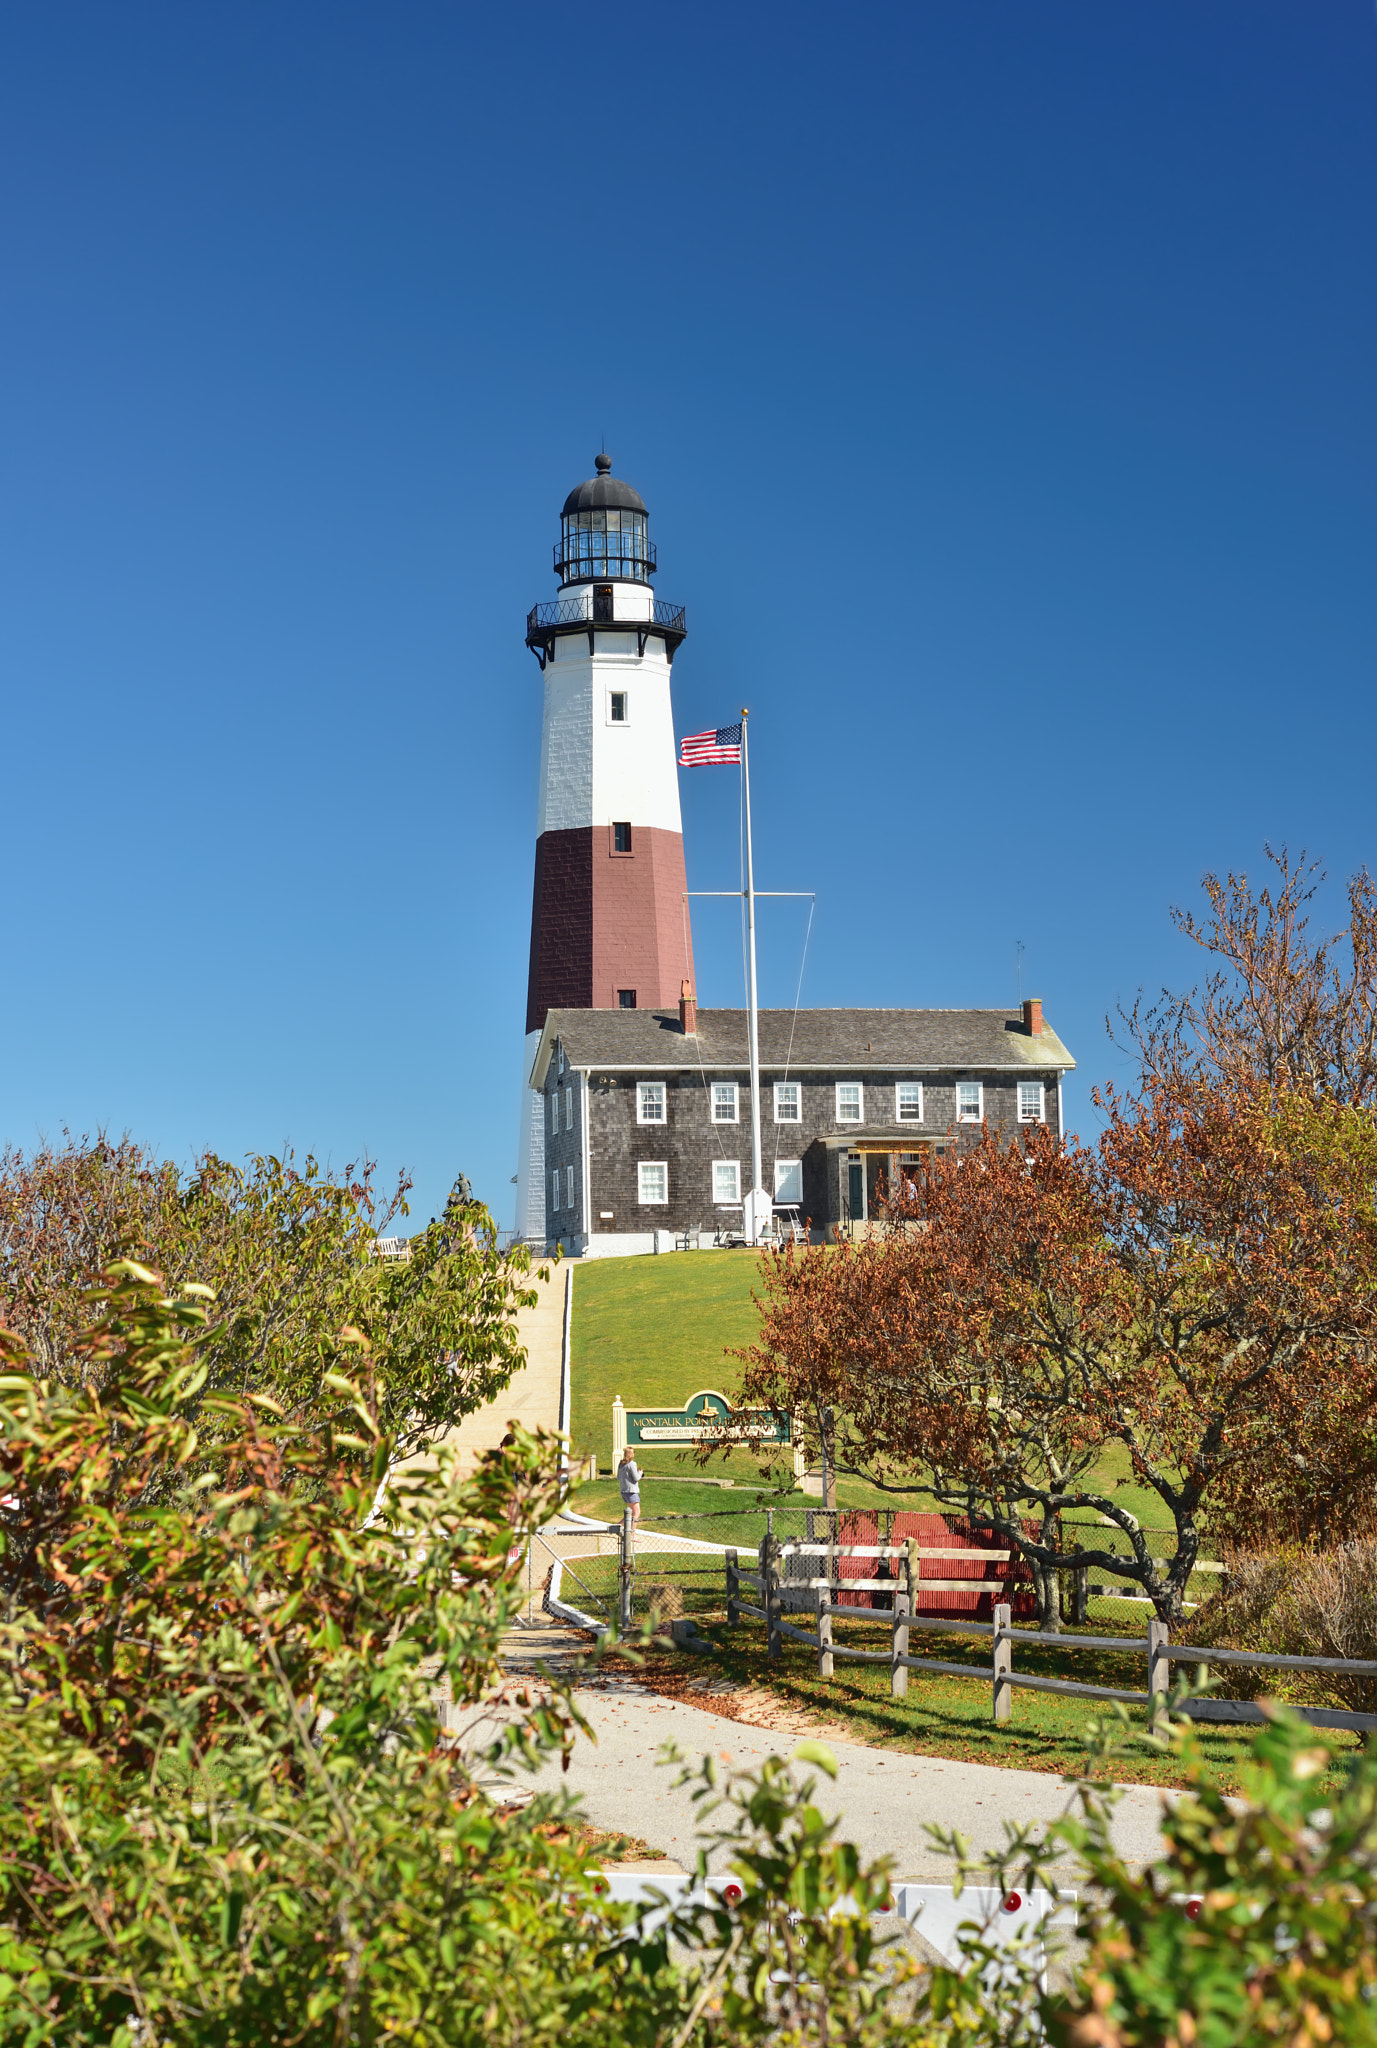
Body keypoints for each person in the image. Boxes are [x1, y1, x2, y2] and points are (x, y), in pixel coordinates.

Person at [618, 1445, 642, 1527]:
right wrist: (640, 1473)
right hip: (632, 1491)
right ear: (631, 1454)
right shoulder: (632, 1464)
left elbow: (618, 1477)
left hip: (624, 1491)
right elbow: (636, 1478)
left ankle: (617, 1527)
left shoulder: (621, 1464)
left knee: (631, 1513)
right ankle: (631, 1535)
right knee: (636, 1513)